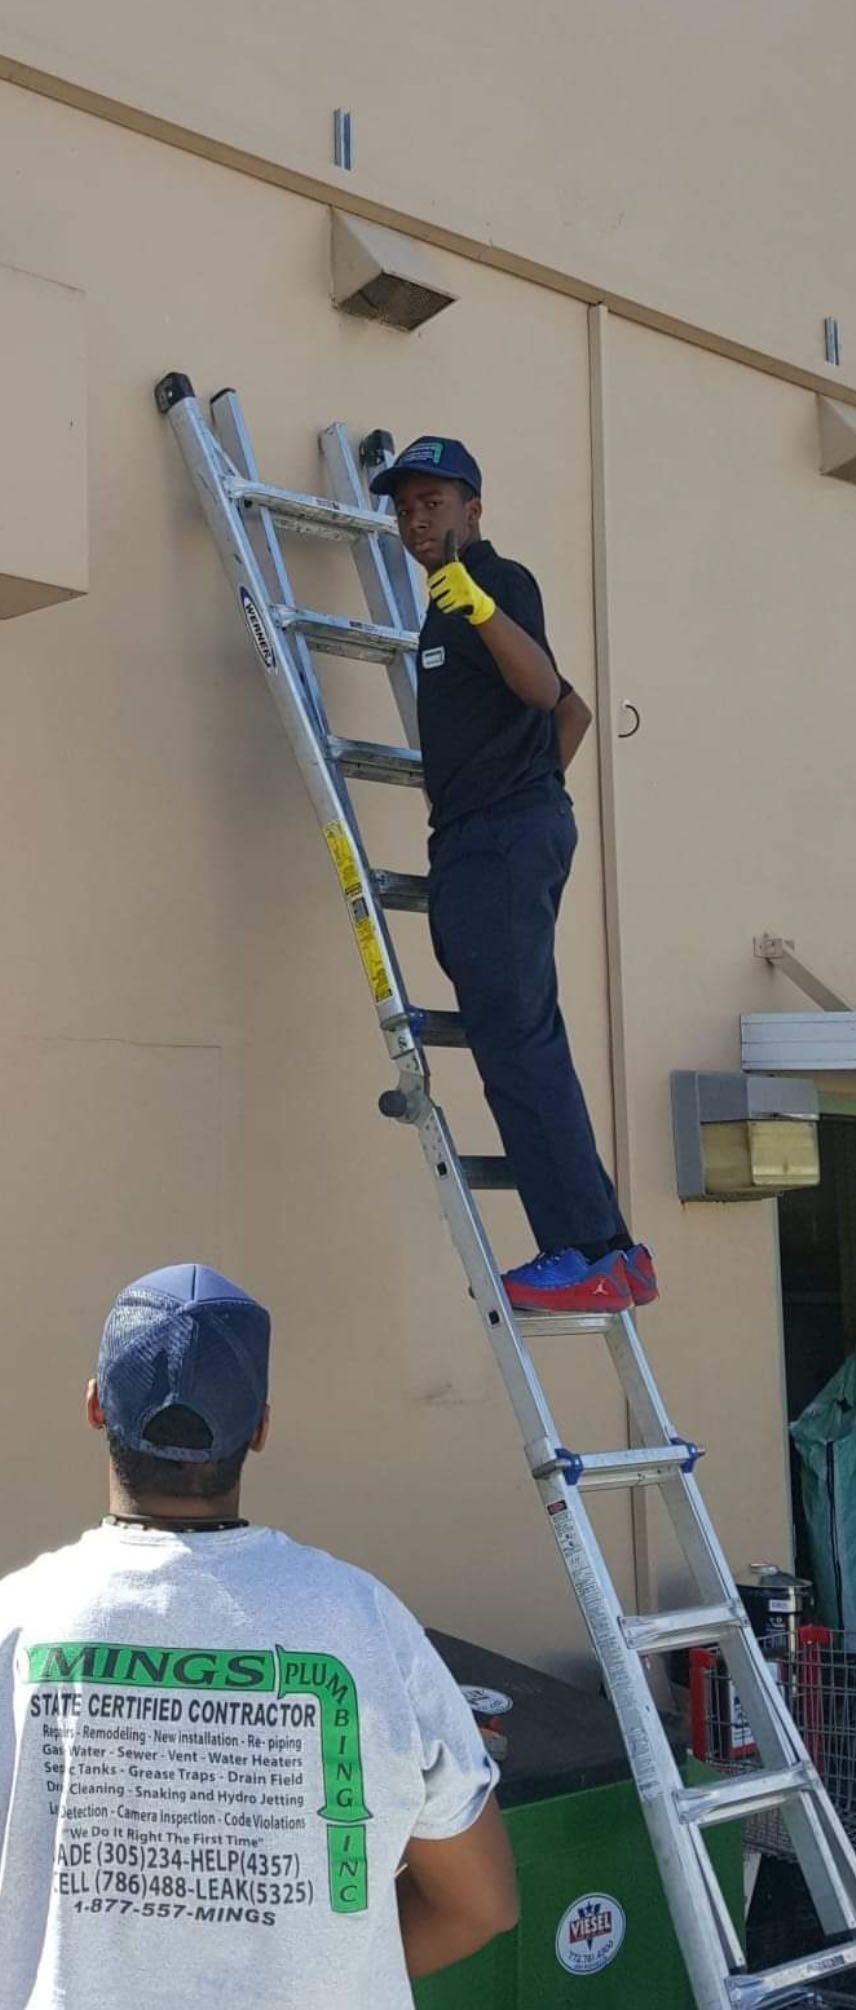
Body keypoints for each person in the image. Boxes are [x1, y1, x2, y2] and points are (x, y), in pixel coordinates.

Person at [0, 1263, 518, 2008]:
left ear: (94, 1408)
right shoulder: (364, 1625)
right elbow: (482, 1903)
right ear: (262, 1428)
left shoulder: (20, 1623)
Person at [370, 438, 656, 1316]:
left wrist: (483, 607)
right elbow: (569, 710)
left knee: (516, 1046)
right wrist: (539, 789)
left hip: (495, 841)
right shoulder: (444, 610)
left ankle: (584, 1251)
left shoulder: (497, 581)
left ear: (473, 509)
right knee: (523, 1037)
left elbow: (542, 692)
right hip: (492, 836)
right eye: (407, 507)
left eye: (435, 504)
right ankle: (609, 1250)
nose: (419, 520)